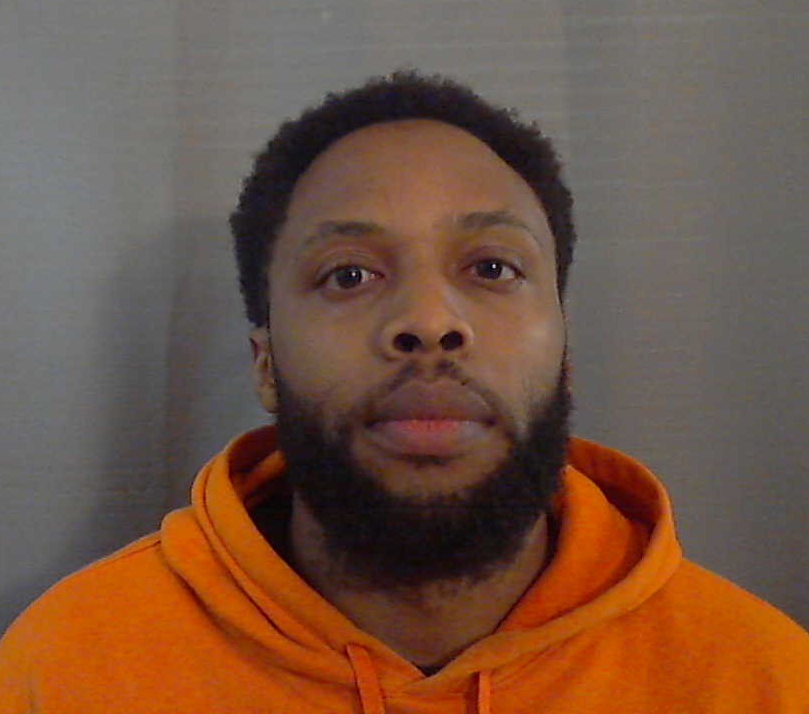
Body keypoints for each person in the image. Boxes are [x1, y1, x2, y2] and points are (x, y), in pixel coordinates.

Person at [1, 71, 807, 713]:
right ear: (265, 364)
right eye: (348, 275)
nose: (427, 321)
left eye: (491, 267)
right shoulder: (66, 670)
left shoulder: (760, 679)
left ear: (565, 353)